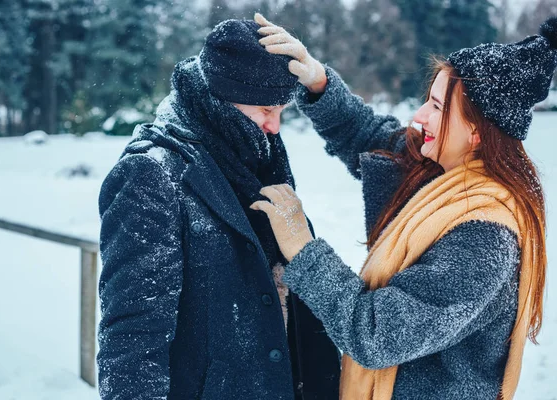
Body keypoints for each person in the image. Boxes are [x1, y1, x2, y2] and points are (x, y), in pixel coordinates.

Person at [251, 13, 557, 400]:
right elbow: (367, 136)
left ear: (477, 130)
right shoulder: (438, 175)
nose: (419, 116)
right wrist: (318, 81)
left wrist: (303, 250)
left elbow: (376, 334)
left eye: (437, 106)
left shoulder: (484, 236)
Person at [97, 19, 340, 400]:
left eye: (281, 111)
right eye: (264, 110)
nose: (274, 127)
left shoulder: (254, 155)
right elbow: (132, 335)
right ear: (224, 99)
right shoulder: (151, 173)